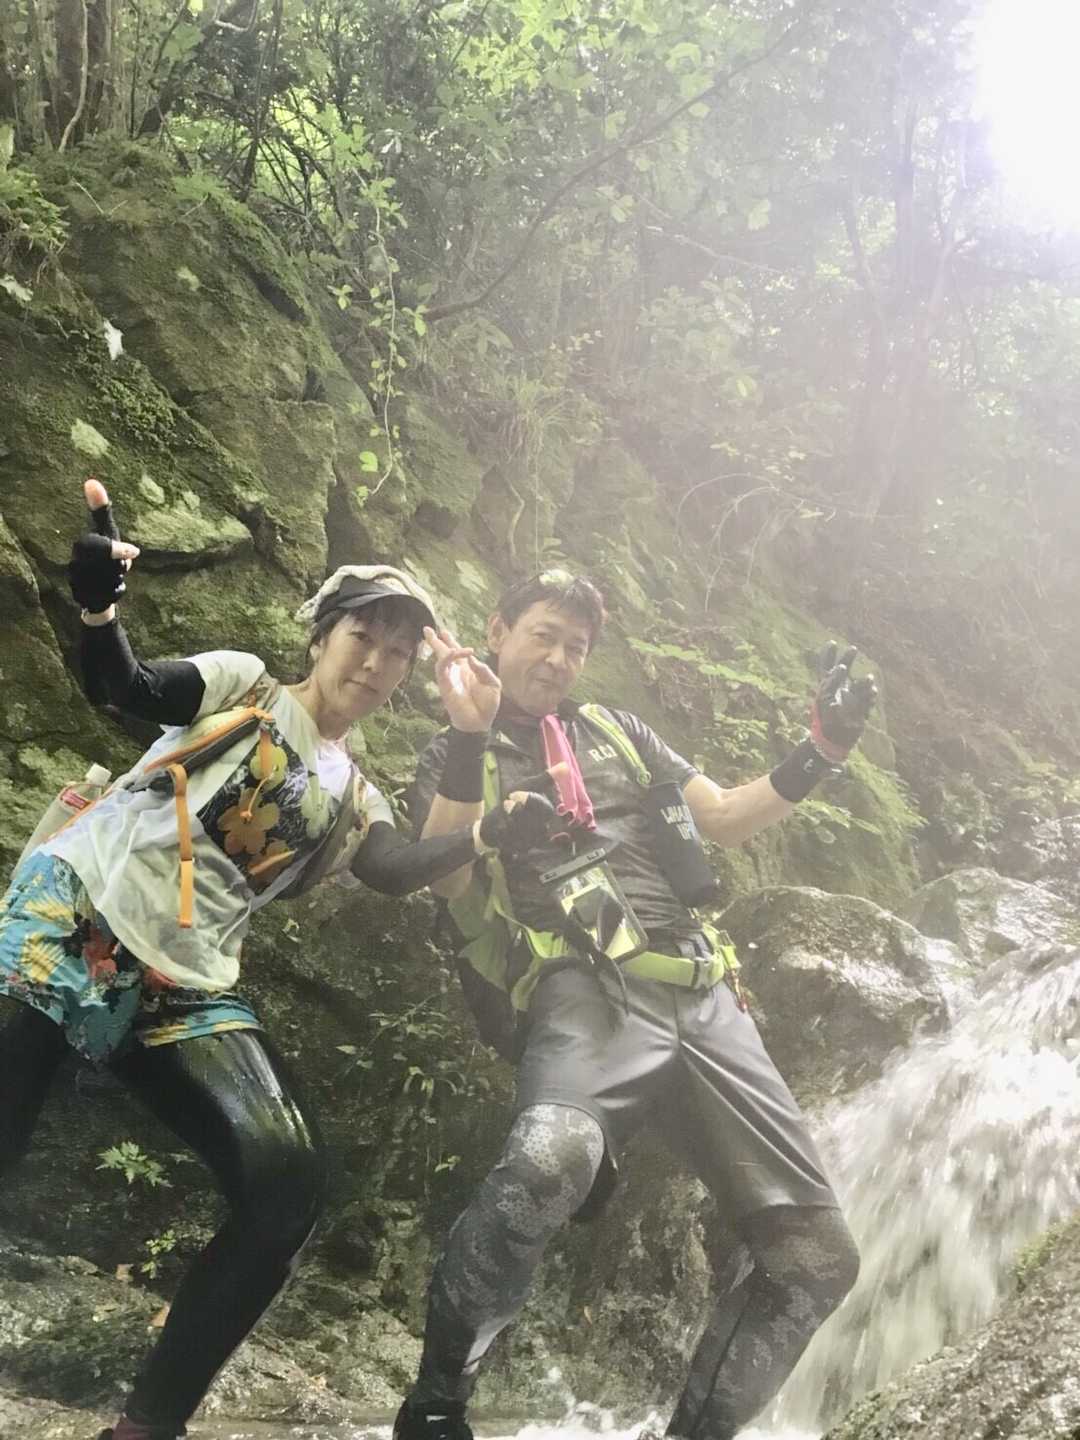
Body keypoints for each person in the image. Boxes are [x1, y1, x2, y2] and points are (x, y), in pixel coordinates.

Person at [0, 481, 551, 1440]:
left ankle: (146, 1428)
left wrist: (484, 817)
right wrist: (98, 609)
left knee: (286, 1179)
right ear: (324, 634)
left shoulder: (354, 791)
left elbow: (393, 868)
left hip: (187, 979)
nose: (375, 663)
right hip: (80, 907)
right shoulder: (245, 685)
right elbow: (126, 688)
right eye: (361, 637)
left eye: (397, 652)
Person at [395, 569, 878, 1440]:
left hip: (702, 990)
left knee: (816, 1260)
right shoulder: (455, 753)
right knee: (550, 1157)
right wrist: (469, 741)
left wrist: (823, 749)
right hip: (583, 986)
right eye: (542, 635)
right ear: (498, 630)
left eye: (575, 646)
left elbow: (723, 816)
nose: (558, 657)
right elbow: (444, 874)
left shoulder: (618, 732)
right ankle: (434, 1414)